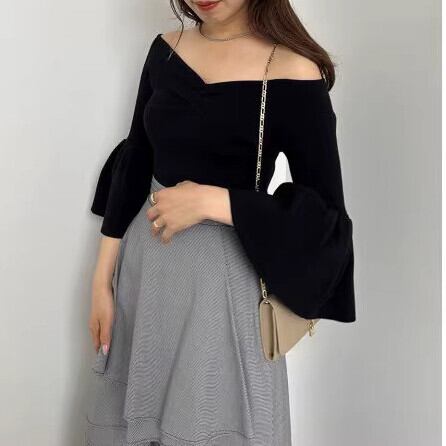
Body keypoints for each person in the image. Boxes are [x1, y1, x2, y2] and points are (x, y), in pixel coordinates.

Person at [84, 1, 356, 445]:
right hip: (143, 273)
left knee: (209, 420)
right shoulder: (166, 49)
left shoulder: (294, 71)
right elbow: (136, 158)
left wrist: (217, 201)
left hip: (222, 290)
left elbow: (326, 221)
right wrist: (101, 281)